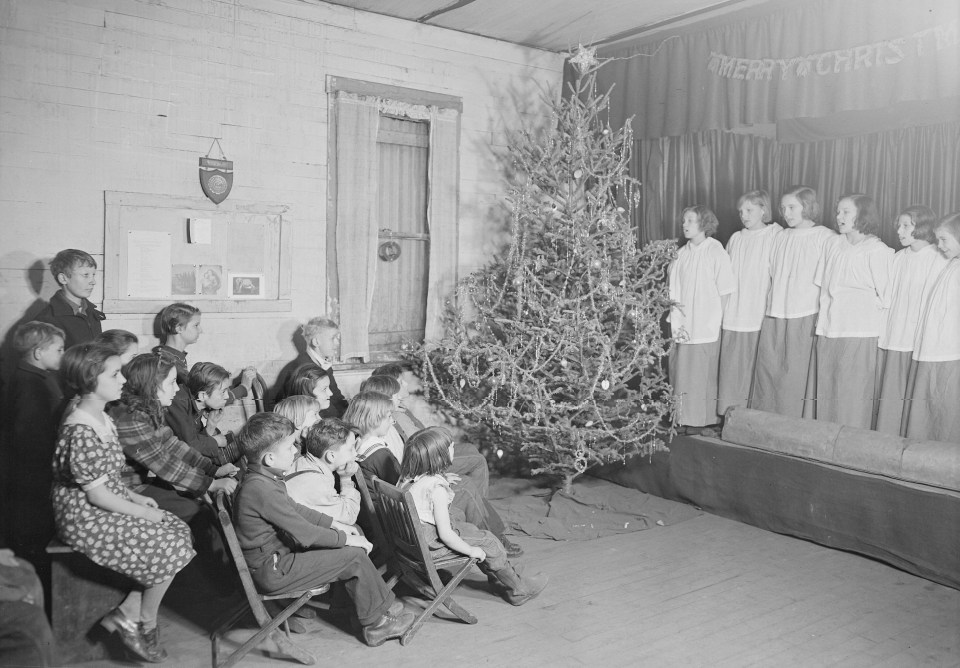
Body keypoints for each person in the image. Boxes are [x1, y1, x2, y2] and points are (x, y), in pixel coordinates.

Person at [52, 343, 194, 663]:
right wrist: (141, 511)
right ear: (91, 379)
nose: (122, 381)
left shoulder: (102, 417)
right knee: (167, 544)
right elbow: (96, 494)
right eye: (115, 374)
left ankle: (127, 613)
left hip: (107, 501)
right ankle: (145, 623)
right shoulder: (80, 427)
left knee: (178, 529)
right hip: (83, 516)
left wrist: (135, 496)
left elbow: (109, 480)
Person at [232, 412, 414, 646]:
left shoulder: (264, 479)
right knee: (354, 557)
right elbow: (305, 534)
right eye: (289, 448)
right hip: (274, 570)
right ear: (269, 458)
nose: (295, 452)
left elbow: (299, 511)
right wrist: (347, 539)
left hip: (277, 561)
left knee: (351, 544)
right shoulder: (261, 490)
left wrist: (337, 525)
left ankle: (365, 609)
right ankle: (377, 625)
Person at [348, 391, 523, 556]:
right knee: (466, 487)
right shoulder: (379, 454)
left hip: (390, 515)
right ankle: (493, 541)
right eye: (388, 417)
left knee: (462, 486)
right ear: (373, 420)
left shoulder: (359, 444)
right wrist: (438, 480)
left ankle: (479, 528)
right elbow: (405, 489)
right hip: (403, 522)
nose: (392, 422)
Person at [399, 427, 548, 606]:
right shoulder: (435, 489)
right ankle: (518, 589)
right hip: (432, 543)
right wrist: (470, 551)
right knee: (488, 541)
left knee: (469, 527)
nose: (454, 448)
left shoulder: (410, 478)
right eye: (451, 447)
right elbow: (446, 534)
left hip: (413, 539)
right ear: (440, 457)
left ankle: (500, 575)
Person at [108, 353, 238, 523]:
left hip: (136, 483)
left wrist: (213, 470)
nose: (177, 389)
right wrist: (210, 484)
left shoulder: (146, 410)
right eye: (171, 383)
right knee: (198, 512)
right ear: (152, 386)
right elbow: (163, 463)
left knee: (195, 502)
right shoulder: (132, 418)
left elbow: (173, 446)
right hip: (125, 490)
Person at [805, 194, 893, 428]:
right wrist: (822, 324)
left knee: (853, 393)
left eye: (846, 212)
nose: (838, 217)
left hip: (860, 332)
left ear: (862, 215)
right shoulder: (833, 244)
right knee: (829, 389)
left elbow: (886, 297)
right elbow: (823, 288)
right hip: (831, 329)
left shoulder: (878, 250)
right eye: (838, 212)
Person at [751, 186, 836, 418]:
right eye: (783, 208)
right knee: (771, 370)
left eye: (792, 207)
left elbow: (828, 282)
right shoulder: (780, 236)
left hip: (805, 312)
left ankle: (795, 422)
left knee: (797, 373)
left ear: (807, 207)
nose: (786, 213)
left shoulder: (825, 237)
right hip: (777, 311)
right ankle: (767, 420)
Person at [874, 206, 948, 434]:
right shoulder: (897, 258)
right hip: (896, 336)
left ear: (923, 227)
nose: (899, 231)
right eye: (899, 225)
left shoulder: (938, 258)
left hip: (919, 339)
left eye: (906, 226)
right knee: (893, 392)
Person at [668, 205, 736, 433]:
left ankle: (702, 420)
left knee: (702, 373)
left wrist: (714, 320)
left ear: (704, 224)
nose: (684, 225)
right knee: (683, 371)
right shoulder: (681, 254)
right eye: (684, 220)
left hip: (706, 323)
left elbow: (725, 290)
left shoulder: (715, 251)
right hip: (684, 322)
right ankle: (682, 417)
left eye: (690, 221)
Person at [717, 190, 781, 416]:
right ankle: (728, 414)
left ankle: (751, 417)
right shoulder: (736, 238)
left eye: (749, 210)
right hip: (735, 310)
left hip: (758, 309)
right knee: (733, 366)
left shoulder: (775, 235)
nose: (743, 215)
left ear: (763, 209)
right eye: (741, 211)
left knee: (756, 367)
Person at [5, 322, 66, 556]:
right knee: (34, 535)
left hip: (36, 472)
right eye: (59, 349)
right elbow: (31, 439)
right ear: (39, 353)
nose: (63, 353)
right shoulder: (31, 386)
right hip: (33, 476)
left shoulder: (38, 376)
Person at [902, 212, 960, 443]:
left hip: (951, 353)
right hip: (933, 350)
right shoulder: (951, 266)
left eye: (945, 239)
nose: (939, 245)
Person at [285, 419, 361, 524]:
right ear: (331, 456)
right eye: (351, 448)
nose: (355, 453)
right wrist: (346, 479)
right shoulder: (317, 483)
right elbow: (348, 516)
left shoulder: (302, 462)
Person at [165, 362, 243, 465]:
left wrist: (211, 425)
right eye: (223, 392)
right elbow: (189, 446)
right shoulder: (179, 403)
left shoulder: (198, 404)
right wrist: (216, 442)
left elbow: (195, 438)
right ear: (202, 396)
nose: (227, 396)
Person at [273, 316, 348, 417]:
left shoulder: (323, 364)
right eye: (333, 338)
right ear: (316, 342)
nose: (337, 343)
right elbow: (310, 409)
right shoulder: (303, 368)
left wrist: (351, 414)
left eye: (337, 338)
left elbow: (336, 397)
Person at [35, 249, 105, 348]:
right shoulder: (46, 321)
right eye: (85, 275)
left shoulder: (92, 312)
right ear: (63, 279)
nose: (93, 281)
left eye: (93, 275)